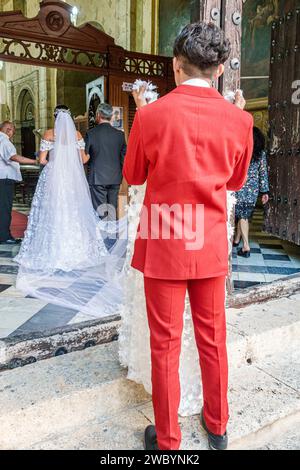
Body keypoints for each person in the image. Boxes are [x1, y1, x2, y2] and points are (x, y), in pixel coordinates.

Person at [122, 22, 253, 451]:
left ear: (176, 65)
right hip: (211, 243)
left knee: (165, 344)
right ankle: (217, 427)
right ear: (218, 70)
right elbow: (234, 182)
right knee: (213, 338)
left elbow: (133, 175)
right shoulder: (240, 120)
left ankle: (168, 439)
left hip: (164, 241)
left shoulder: (150, 114)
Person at [15, 105, 127, 317]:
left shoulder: (49, 133)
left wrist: (54, 161)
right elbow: (83, 159)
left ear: (54, 117)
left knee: (54, 212)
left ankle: (56, 245)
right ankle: (100, 238)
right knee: (75, 211)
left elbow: (42, 160)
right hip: (77, 177)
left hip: (54, 177)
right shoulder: (78, 133)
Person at [85, 103, 127, 221]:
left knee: (100, 211)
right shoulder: (120, 135)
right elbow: (124, 158)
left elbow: (85, 157)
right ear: (111, 116)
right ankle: (112, 238)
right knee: (112, 208)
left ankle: (102, 237)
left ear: (98, 115)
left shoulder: (91, 133)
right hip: (115, 177)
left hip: (97, 178)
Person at [234, 126, 269, 257]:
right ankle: (237, 240)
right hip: (253, 189)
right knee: (243, 213)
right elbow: (263, 172)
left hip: (240, 185)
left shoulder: (242, 150)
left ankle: (246, 247)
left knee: (242, 215)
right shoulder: (261, 154)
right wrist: (265, 191)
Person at [0, 121, 37, 245]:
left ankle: (4, 234)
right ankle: (4, 237)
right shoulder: (4, 141)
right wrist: (34, 161)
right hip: (4, 179)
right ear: (8, 129)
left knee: (2, 208)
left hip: (2, 178)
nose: (13, 134)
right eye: (13, 131)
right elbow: (13, 157)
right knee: (5, 209)